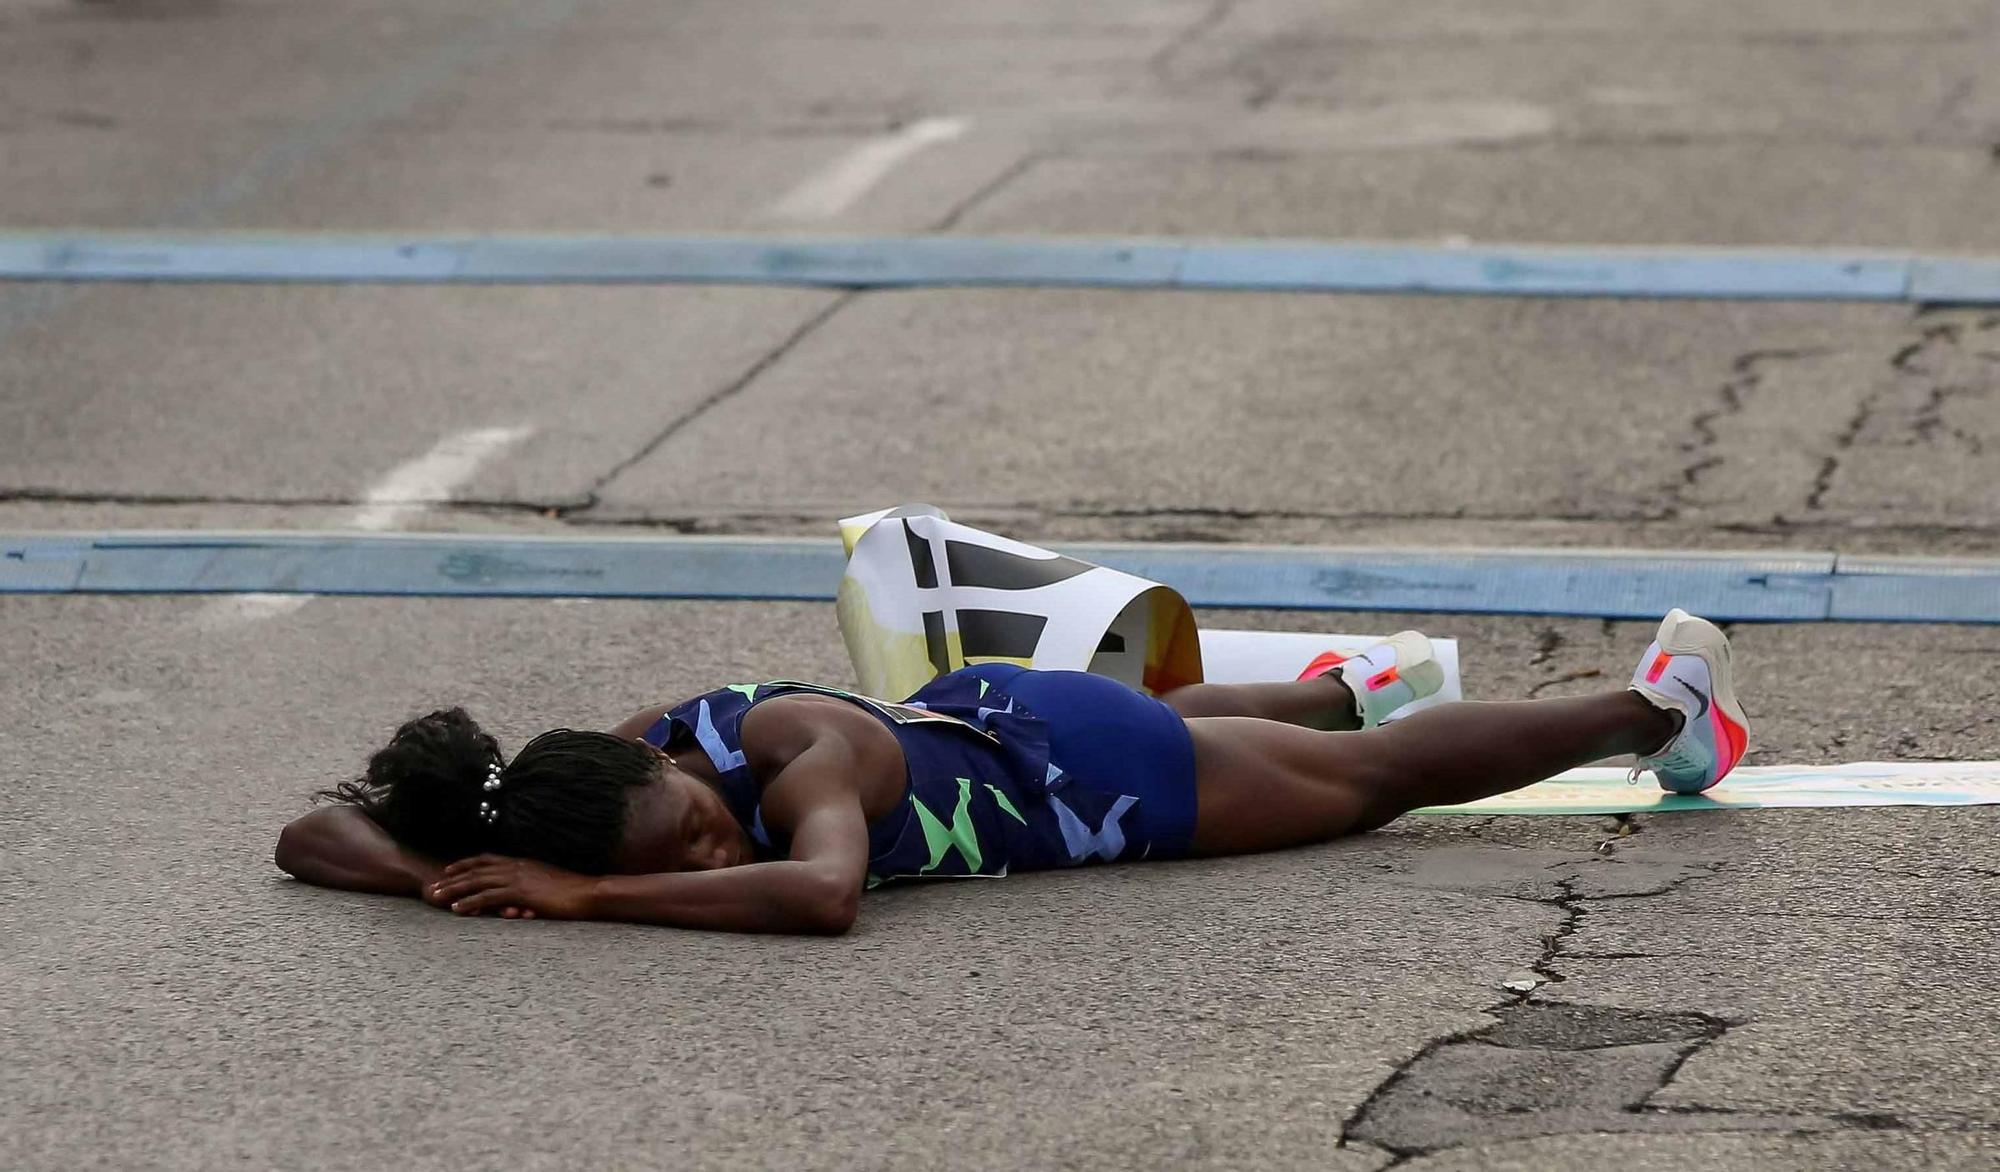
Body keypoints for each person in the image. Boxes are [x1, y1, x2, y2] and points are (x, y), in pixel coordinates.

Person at [275, 609, 1748, 934]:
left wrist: (590, 901)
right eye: (693, 854)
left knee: (1384, 790)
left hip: (1079, 785)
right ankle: (1342, 686)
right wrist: (431, 870)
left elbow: (824, 898)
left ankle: (1660, 705)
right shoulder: (624, 770)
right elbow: (303, 837)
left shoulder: (795, 768)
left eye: (708, 836)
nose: (724, 848)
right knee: (1302, 743)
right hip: (1004, 726)